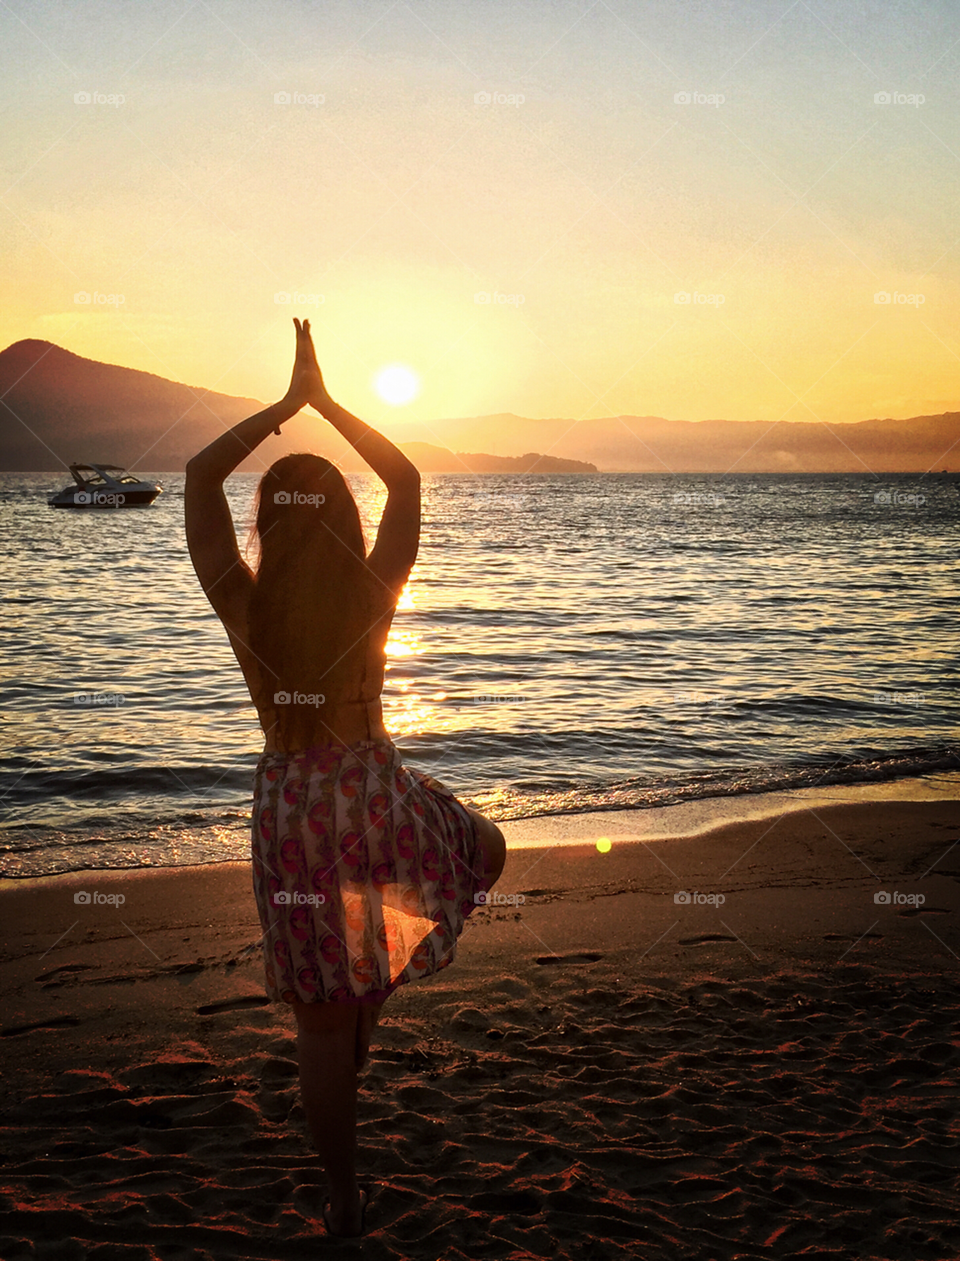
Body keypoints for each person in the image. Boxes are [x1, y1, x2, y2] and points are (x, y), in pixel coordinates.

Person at [184, 319, 507, 1237]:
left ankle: (341, 1196)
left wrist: (284, 409)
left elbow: (201, 479)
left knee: (320, 1028)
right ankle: (369, 988)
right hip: (373, 795)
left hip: (290, 807)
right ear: (347, 523)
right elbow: (405, 477)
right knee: (487, 847)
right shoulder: (376, 592)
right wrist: (326, 404)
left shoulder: (242, 602)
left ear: (266, 527)